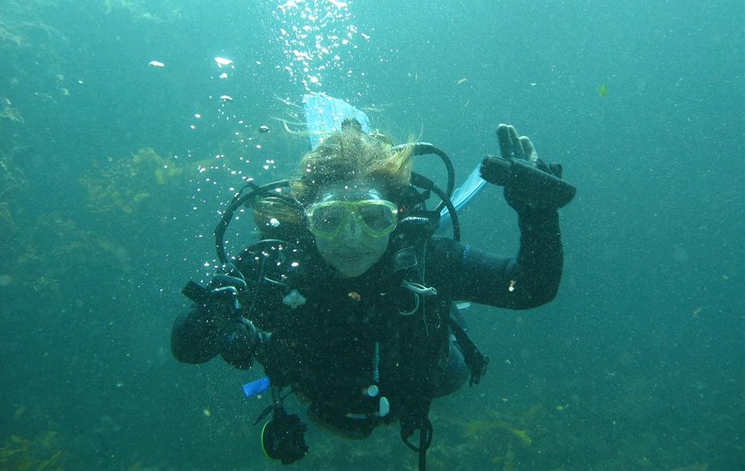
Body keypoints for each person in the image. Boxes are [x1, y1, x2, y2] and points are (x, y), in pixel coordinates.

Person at [171, 120, 575, 470]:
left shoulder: (426, 259)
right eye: (329, 220)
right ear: (306, 220)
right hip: (317, 394)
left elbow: (527, 288)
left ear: (396, 215)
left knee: (451, 370)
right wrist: (212, 314)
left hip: (425, 380)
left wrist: (537, 214)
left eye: (372, 217)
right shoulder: (276, 267)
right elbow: (186, 349)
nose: (350, 240)